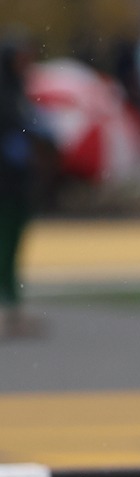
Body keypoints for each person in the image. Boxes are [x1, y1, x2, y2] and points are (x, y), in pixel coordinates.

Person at [0, 40, 43, 340]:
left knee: (13, 248)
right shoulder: (6, 94)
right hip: (4, 183)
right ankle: (7, 309)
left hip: (18, 185)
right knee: (4, 248)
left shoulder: (18, 92)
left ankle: (13, 308)